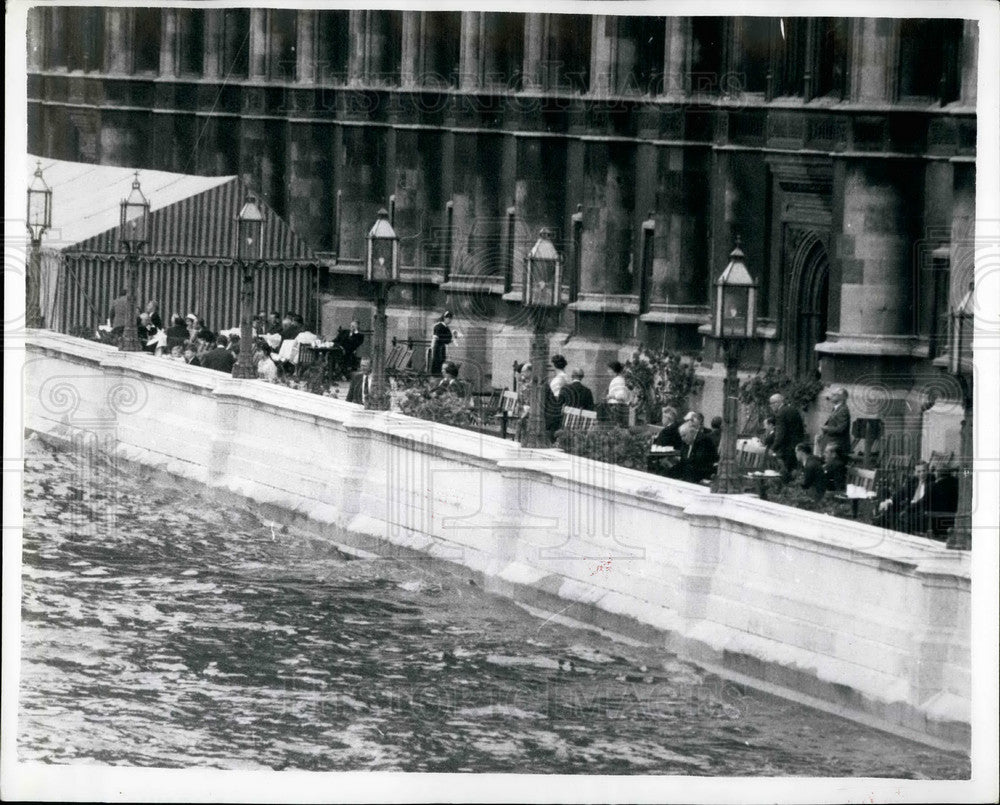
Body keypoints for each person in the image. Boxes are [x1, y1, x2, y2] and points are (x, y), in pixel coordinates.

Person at [874, 461, 958, 537]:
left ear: (928, 471)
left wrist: (908, 509)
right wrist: (890, 500)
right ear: (915, 472)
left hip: (923, 512)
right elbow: (902, 492)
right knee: (888, 511)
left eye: (924, 471)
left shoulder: (933, 482)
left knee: (901, 518)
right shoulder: (913, 480)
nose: (921, 474)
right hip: (912, 507)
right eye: (918, 471)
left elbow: (924, 502)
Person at [769, 393, 805, 479]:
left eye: (771, 403)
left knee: (785, 472)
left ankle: (784, 488)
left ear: (777, 403)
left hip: (786, 447)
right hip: (797, 445)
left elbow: (780, 434)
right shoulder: (793, 409)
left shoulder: (781, 413)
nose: (771, 406)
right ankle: (793, 487)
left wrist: (773, 448)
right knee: (794, 469)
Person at [819, 387, 852, 457]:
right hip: (832, 444)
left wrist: (826, 428)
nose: (831, 396)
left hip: (837, 446)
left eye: (834, 395)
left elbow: (841, 428)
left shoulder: (843, 410)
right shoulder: (837, 408)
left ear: (841, 397)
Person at [430, 311, 456, 375]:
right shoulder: (438, 326)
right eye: (449, 319)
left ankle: (440, 374)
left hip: (442, 347)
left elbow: (447, 338)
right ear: (445, 318)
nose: (450, 321)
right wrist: (432, 347)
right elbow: (435, 338)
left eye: (451, 319)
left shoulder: (446, 327)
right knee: (437, 361)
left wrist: (453, 338)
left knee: (442, 361)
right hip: (438, 347)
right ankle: (435, 375)